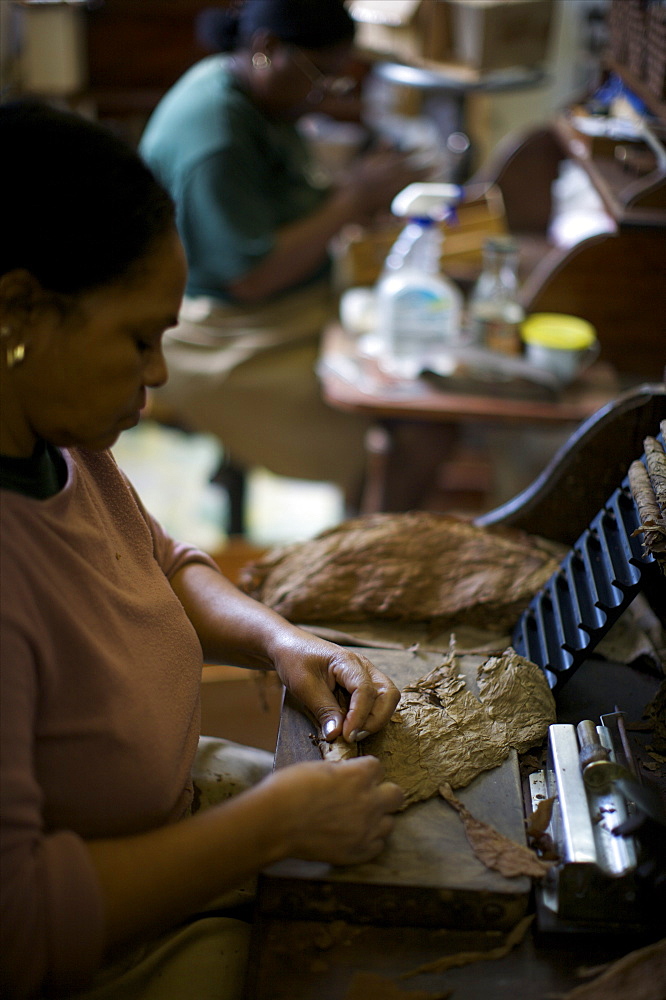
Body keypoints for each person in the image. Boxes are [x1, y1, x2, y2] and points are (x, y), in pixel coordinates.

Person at [0, 100, 403, 1000]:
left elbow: (161, 562)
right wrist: (270, 828)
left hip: (173, 801)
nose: (157, 374)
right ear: (19, 310)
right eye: (138, 338)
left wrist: (277, 641)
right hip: (97, 952)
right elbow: (18, 927)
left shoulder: (58, 444)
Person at [139, 0, 426, 505]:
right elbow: (250, 277)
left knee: (391, 352)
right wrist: (351, 201)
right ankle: (369, 541)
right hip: (212, 334)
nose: (323, 95)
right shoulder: (217, 136)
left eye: (336, 79)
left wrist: (351, 199)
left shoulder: (253, 91)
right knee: (403, 434)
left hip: (270, 312)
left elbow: (286, 197)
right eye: (320, 76)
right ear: (267, 48)